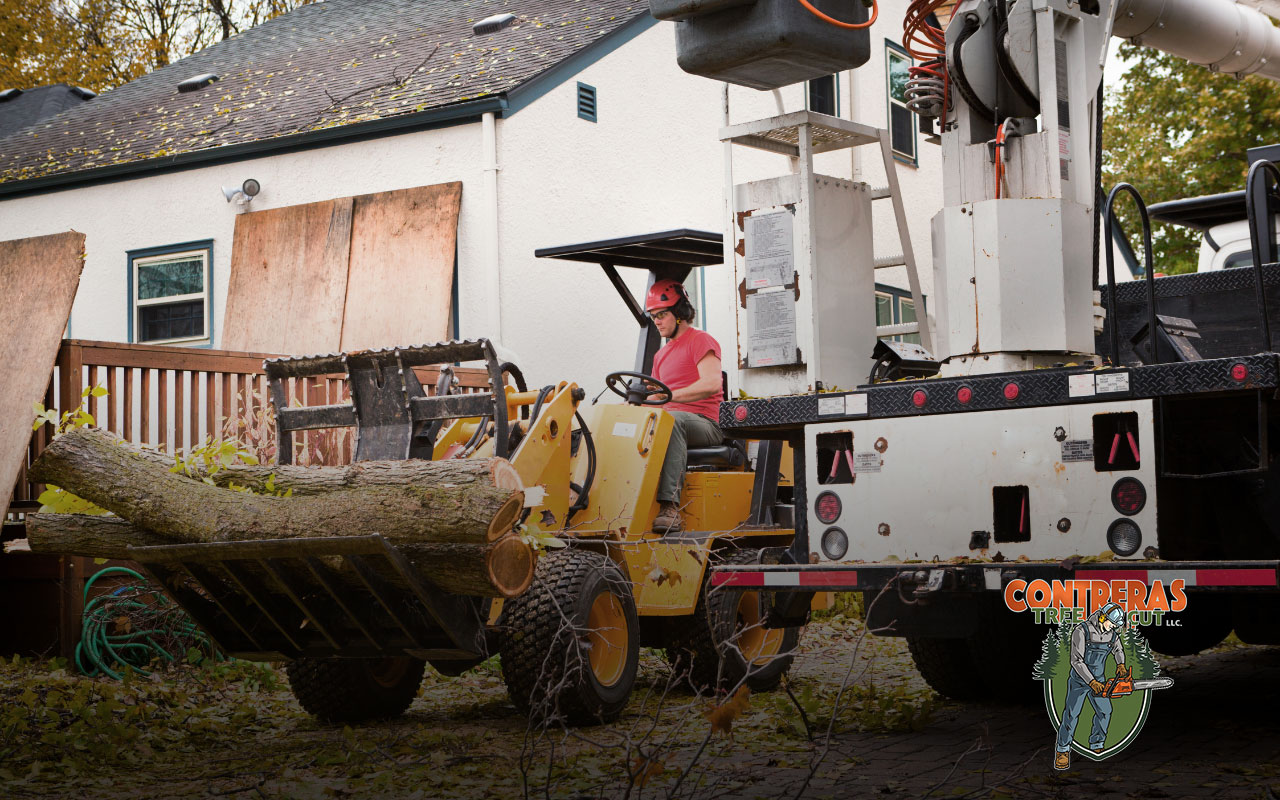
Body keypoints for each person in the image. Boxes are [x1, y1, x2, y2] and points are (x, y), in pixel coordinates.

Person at [644, 278, 724, 533]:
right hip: (672, 421)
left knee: (672, 421)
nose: (657, 321)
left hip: (706, 423)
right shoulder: (660, 355)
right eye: (653, 316)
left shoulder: (701, 341)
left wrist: (669, 397)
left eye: (662, 314)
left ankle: (669, 506)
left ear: (679, 314)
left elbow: (712, 383)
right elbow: (657, 399)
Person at [1054, 601, 1127, 770]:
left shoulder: (1112, 634)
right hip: (1080, 680)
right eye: (1112, 624)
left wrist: (1120, 664)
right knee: (1072, 714)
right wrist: (1091, 681)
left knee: (1105, 711)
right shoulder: (1082, 631)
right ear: (1103, 617)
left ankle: (1097, 743)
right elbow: (1076, 660)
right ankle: (1063, 751)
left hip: (1100, 680)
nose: (1113, 627)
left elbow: (1118, 650)